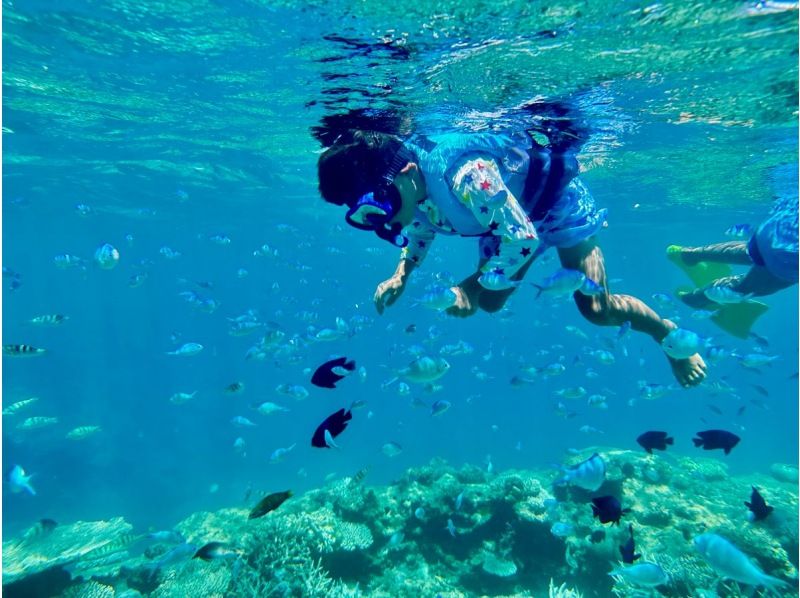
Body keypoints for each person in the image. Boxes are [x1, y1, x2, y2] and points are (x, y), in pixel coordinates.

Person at [316, 111, 707, 388]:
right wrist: (402, 273)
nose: (383, 222)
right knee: (490, 303)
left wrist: (470, 287)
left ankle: (668, 335)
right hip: (502, 218)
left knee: (596, 309)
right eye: (366, 217)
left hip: (553, 205)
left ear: (404, 172)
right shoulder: (410, 192)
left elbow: (521, 239)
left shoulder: (465, 175)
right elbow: (420, 230)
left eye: (379, 207)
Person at [670, 193, 798, 309]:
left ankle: (691, 253)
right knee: (751, 287)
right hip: (789, 257)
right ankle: (695, 299)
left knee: (758, 251)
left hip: (776, 226)